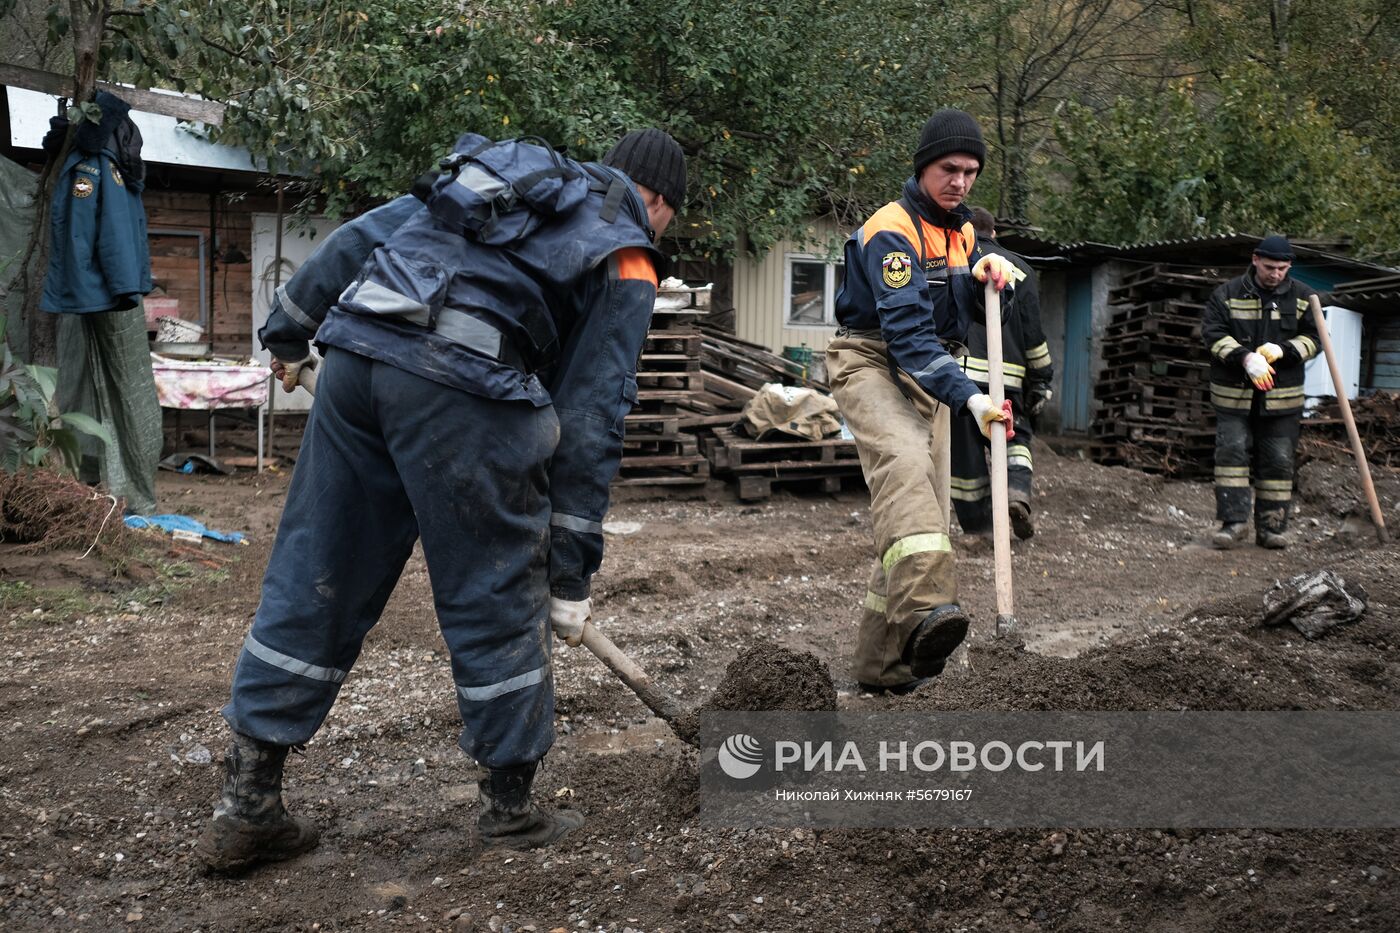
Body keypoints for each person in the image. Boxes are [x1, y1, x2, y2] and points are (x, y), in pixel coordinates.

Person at [194, 128, 686, 871]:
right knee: (497, 583)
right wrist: (570, 570)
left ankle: (248, 800)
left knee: (317, 569)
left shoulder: (503, 179)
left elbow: (363, 236)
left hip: (360, 355)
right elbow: (592, 417)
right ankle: (510, 811)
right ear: (659, 202)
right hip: (463, 383)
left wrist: (291, 331)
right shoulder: (626, 248)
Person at [825, 108, 1015, 696]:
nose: (959, 182)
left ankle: (887, 666)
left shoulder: (961, 232)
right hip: (871, 362)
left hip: (928, 375)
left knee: (921, 519)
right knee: (905, 466)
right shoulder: (893, 229)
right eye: (948, 169)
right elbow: (907, 337)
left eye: (971, 172)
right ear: (923, 167)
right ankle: (932, 611)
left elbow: (953, 321)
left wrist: (989, 280)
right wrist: (970, 399)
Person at [1202, 235, 1320, 550]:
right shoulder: (1226, 294)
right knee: (1232, 455)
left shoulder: (1304, 297)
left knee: (1279, 462)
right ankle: (1233, 524)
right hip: (1233, 396)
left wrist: (1283, 350)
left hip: (1282, 400)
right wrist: (1245, 357)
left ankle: (1271, 528)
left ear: (1289, 266)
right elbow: (1213, 335)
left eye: (1282, 268)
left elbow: (1316, 339)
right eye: (1270, 267)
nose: (1275, 274)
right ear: (1255, 260)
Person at [949, 206, 1054, 539]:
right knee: (1016, 437)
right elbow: (1033, 333)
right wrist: (1041, 378)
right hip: (1007, 378)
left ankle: (980, 527)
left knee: (965, 455)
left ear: (967, 231)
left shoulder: (954, 263)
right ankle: (1018, 492)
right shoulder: (1019, 268)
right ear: (994, 233)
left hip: (961, 379)